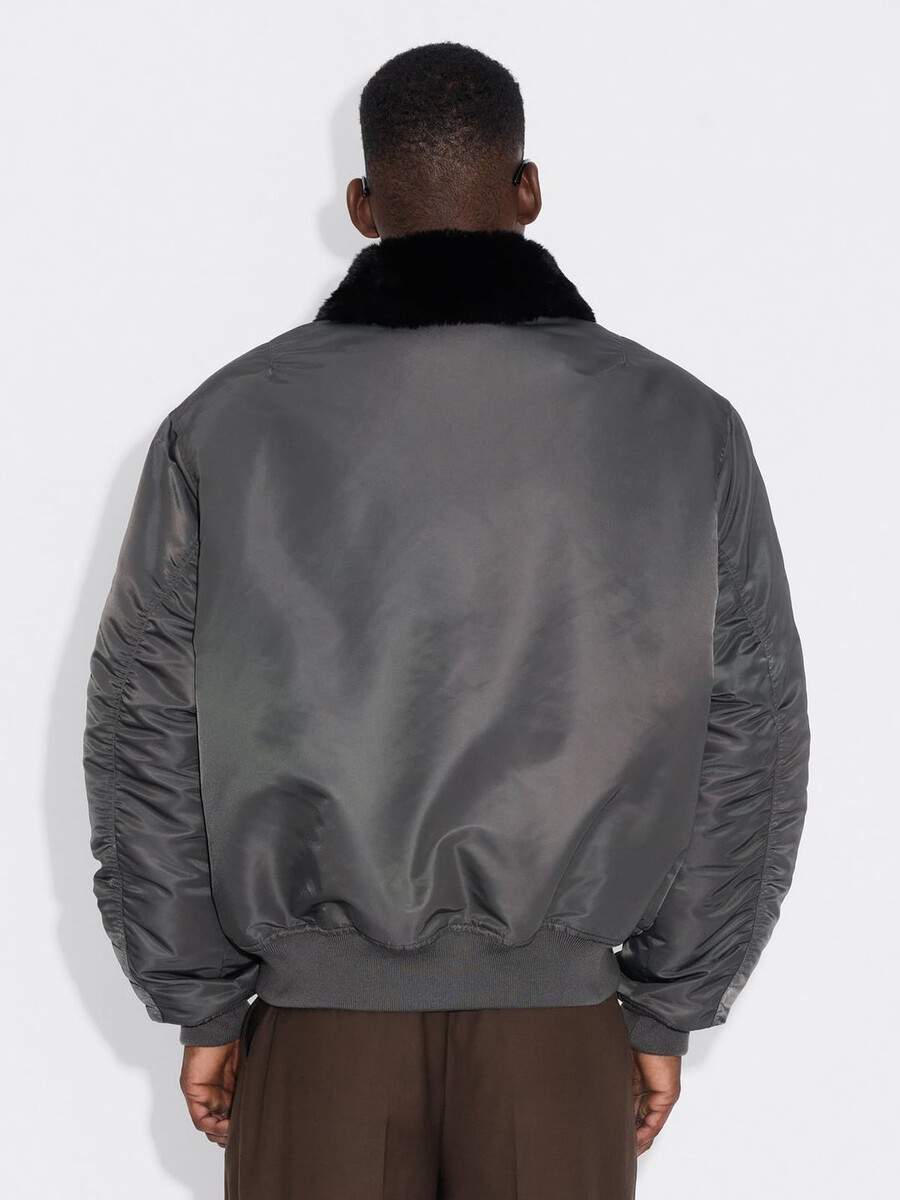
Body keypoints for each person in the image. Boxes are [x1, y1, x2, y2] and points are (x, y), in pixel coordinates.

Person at [83, 40, 811, 1200]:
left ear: (363, 208)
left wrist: (203, 1003)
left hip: (317, 1040)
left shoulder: (224, 425)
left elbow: (145, 732)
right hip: (560, 1041)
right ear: (528, 189)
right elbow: (750, 732)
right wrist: (668, 1004)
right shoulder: (683, 425)